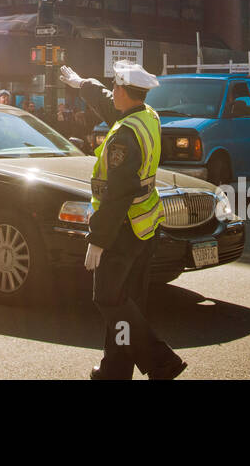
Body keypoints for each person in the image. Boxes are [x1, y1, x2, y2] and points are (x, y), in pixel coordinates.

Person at [58, 60, 186, 381]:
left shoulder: (124, 138)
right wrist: (82, 84)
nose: (111, 91)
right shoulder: (146, 116)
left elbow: (118, 195)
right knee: (127, 303)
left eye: (115, 86)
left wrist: (97, 240)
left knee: (108, 298)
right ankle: (115, 370)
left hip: (123, 230)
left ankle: (161, 362)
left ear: (125, 92)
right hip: (145, 227)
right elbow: (104, 101)